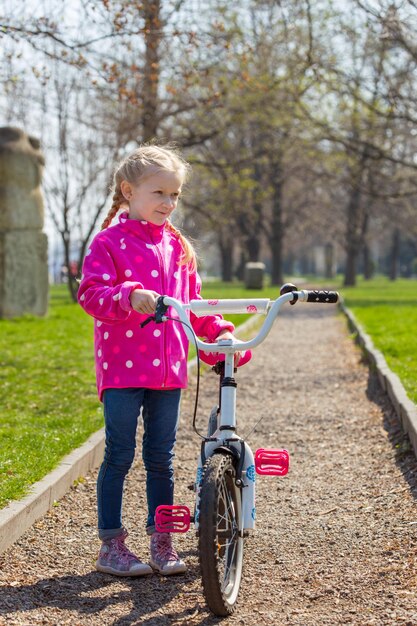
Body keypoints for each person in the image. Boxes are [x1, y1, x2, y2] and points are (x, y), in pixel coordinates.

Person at [78, 144, 247, 578]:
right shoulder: (108, 243)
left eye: (175, 195)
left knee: (161, 457)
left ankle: (162, 538)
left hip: (169, 370)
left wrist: (219, 334)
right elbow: (90, 294)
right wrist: (128, 295)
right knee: (119, 453)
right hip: (122, 368)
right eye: (159, 193)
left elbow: (194, 306)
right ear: (129, 191)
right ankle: (111, 544)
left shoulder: (179, 248)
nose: (168, 204)